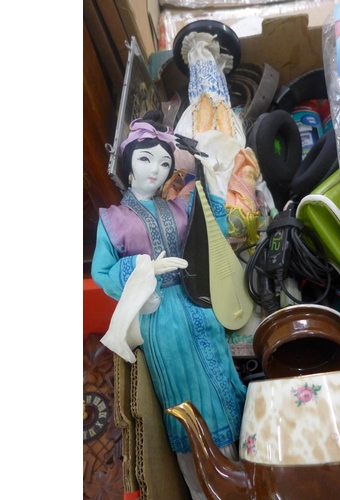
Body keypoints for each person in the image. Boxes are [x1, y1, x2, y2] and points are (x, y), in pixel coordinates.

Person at [91, 109, 248, 499]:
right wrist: (143, 268)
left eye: (163, 163)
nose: (155, 170)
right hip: (159, 316)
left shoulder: (181, 206)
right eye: (145, 159)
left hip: (200, 303)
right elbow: (103, 272)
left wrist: (213, 183)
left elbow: (214, 233)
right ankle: (204, 485)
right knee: (184, 395)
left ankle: (243, 470)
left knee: (222, 379)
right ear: (128, 164)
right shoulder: (113, 220)